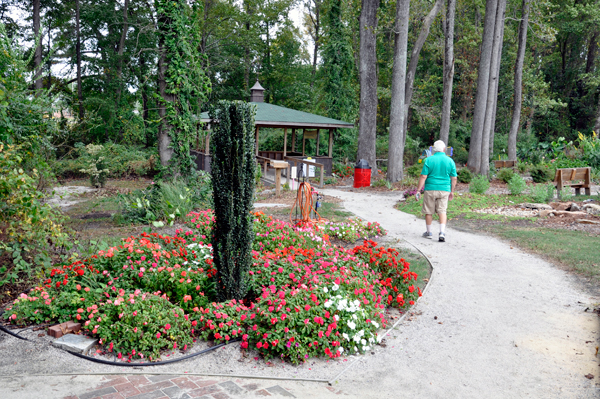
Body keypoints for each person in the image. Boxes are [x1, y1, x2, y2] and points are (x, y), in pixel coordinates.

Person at [414, 140, 457, 242]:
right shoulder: (450, 161)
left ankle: (429, 233)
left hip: (430, 189)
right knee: (442, 211)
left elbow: (423, 176)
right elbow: (454, 178)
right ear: (444, 149)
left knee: (428, 211)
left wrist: (418, 190)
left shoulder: (429, 160)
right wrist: (452, 191)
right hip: (444, 190)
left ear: (434, 150)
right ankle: (442, 233)